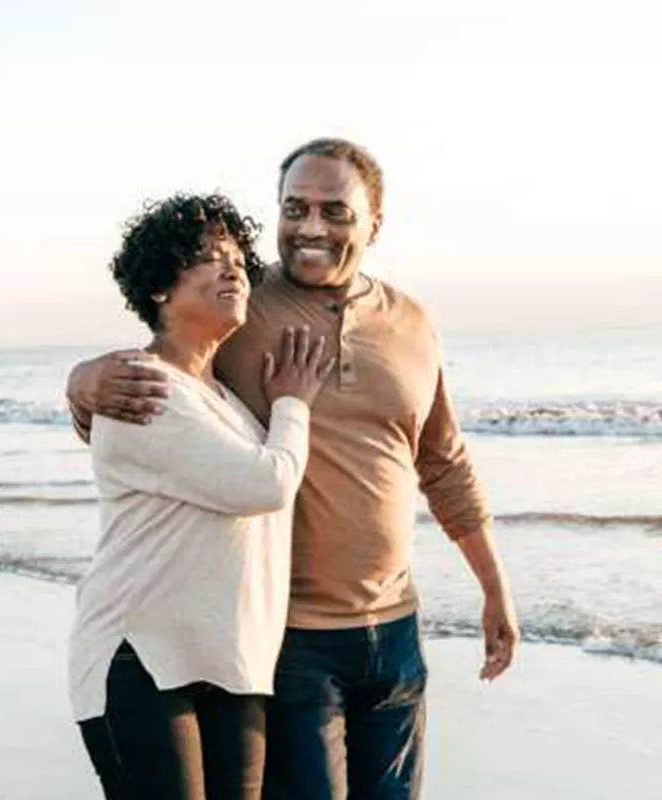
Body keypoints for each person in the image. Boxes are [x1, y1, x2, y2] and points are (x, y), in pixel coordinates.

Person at [67, 139, 519, 800]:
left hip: (395, 632)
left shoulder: (413, 323)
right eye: (295, 207)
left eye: (335, 211)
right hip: (290, 640)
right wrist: (81, 382)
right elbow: (159, 378)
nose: (311, 227)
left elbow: (442, 461)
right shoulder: (243, 313)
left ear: (374, 224)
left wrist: (493, 585)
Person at [68, 192, 334, 800]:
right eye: (209, 258)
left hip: (232, 663)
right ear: (160, 286)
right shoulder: (143, 388)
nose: (233, 268)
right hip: (141, 658)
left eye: (238, 257)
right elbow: (266, 484)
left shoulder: (226, 403)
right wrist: (293, 400)